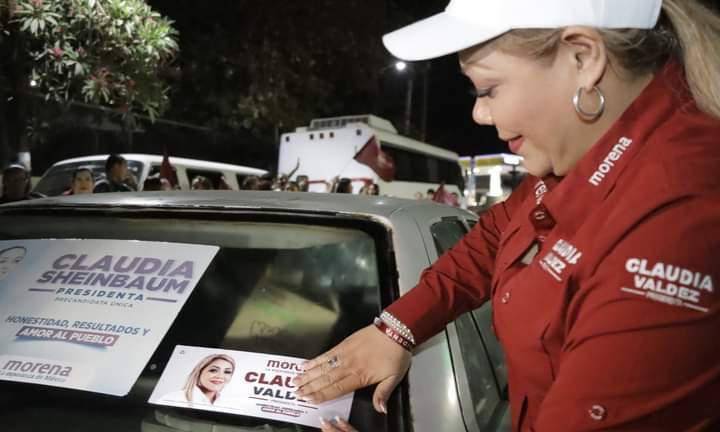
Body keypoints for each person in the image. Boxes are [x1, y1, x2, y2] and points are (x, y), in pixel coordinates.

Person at [295, 1, 720, 431]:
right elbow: (499, 232)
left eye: (487, 89)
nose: (479, 114)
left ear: (583, 58)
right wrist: (397, 328)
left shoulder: (678, 216)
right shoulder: (583, 157)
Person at [160, 354, 236, 405]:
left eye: (227, 372)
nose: (220, 376)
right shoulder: (173, 398)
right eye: (213, 370)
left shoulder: (229, 403)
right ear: (199, 372)